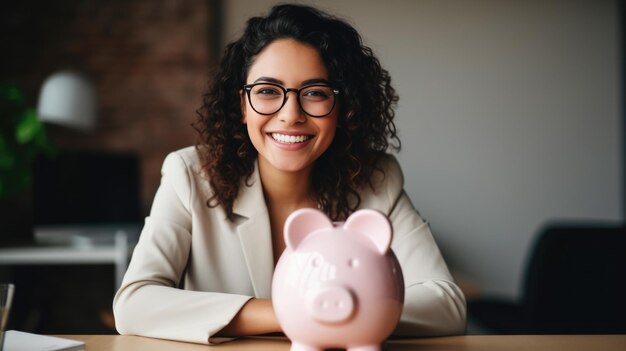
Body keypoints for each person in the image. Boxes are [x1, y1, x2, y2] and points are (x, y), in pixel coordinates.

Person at [113, 4, 466, 344]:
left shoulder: (377, 180)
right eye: (268, 91)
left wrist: (345, 310)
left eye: (314, 93)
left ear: (342, 109)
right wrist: (297, 313)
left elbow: (445, 304)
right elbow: (134, 304)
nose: (290, 114)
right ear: (242, 105)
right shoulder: (189, 175)